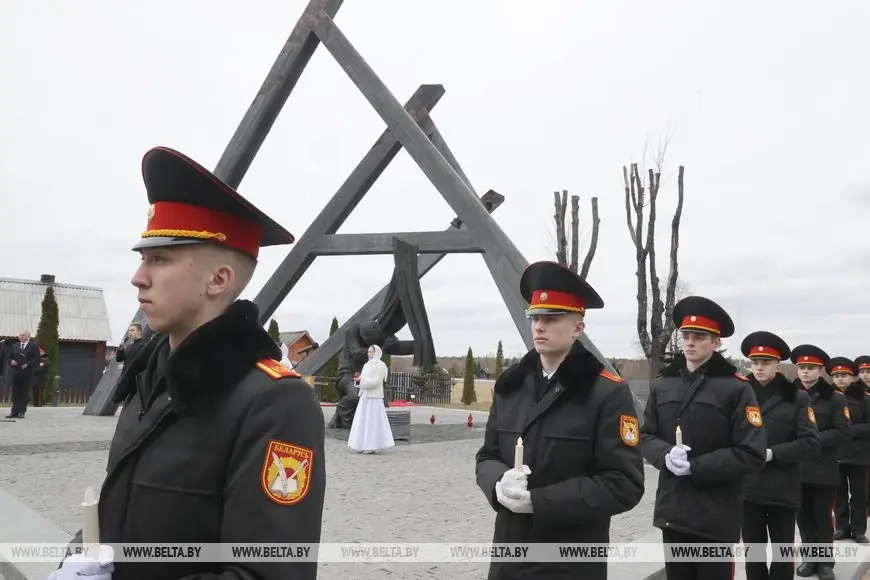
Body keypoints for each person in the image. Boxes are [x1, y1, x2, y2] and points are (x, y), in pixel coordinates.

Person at [50, 146, 326, 580]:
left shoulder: (275, 404)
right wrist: (79, 558)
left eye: (160, 259)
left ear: (219, 280)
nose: (139, 276)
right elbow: (119, 512)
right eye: (143, 258)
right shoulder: (149, 380)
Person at [475, 261, 644, 580]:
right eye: (534, 317)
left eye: (551, 318)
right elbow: (487, 455)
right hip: (508, 556)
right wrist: (497, 483)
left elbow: (624, 484)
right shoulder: (511, 386)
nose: (539, 326)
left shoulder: (606, 392)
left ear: (578, 327)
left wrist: (540, 502)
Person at [640, 295, 767, 580]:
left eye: (699, 336)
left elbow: (752, 452)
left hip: (716, 512)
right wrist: (664, 455)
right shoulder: (662, 384)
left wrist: (697, 467)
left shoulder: (736, 388)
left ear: (716, 342)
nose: (690, 342)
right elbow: (645, 435)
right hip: (673, 509)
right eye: (686, 335)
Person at [739, 331, 820, 580]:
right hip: (747, 487)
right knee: (753, 549)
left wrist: (774, 454)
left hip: (782, 487)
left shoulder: (796, 397)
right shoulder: (739, 393)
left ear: (777, 364)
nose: (759, 368)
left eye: (765, 362)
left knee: (782, 550)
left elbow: (810, 442)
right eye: (755, 362)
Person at [791, 344, 850, 580]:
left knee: (823, 518)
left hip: (823, 467)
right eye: (802, 368)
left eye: (810, 368)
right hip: (796, 468)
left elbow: (843, 432)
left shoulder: (835, 398)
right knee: (803, 518)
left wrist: (810, 439)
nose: (805, 372)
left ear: (820, 371)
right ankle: (809, 558)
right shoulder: (788, 396)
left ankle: (825, 562)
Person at [830, 357, 870, 544]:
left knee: (859, 494)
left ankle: (858, 529)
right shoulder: (827, 397)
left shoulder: (863, 397)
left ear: (852, 377)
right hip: (835, 454)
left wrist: (847, 431)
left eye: (844, 375)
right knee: (839, 494)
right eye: (837, 375)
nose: (840, 379)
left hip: (858, 455)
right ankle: (841, 527)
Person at [347, 344, 394, 453]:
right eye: (368, 351)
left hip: (374, 398)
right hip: (365, 397)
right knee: (362, 421)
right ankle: (361, 444)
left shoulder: (381, 366)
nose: (368, 353)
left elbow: (376, 382)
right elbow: (363, 378)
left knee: (372, 422)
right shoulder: (366, 365)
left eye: (370, 352)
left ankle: (372, 445)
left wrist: (362, 381)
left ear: (376, 353)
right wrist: (358, 380)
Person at [6, 330, 39, 419]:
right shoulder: (15, 345)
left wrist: (27, 364)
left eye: (23, 335)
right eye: (20, 335)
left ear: (28, 336)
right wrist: (11, 362)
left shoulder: (33, 346)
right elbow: (10, 358)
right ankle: (14, 412)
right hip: (16, 372)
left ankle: (21, 412)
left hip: (26, 373)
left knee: (23, 393)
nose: (21, 336)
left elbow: (36, 360)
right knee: (15, 393)